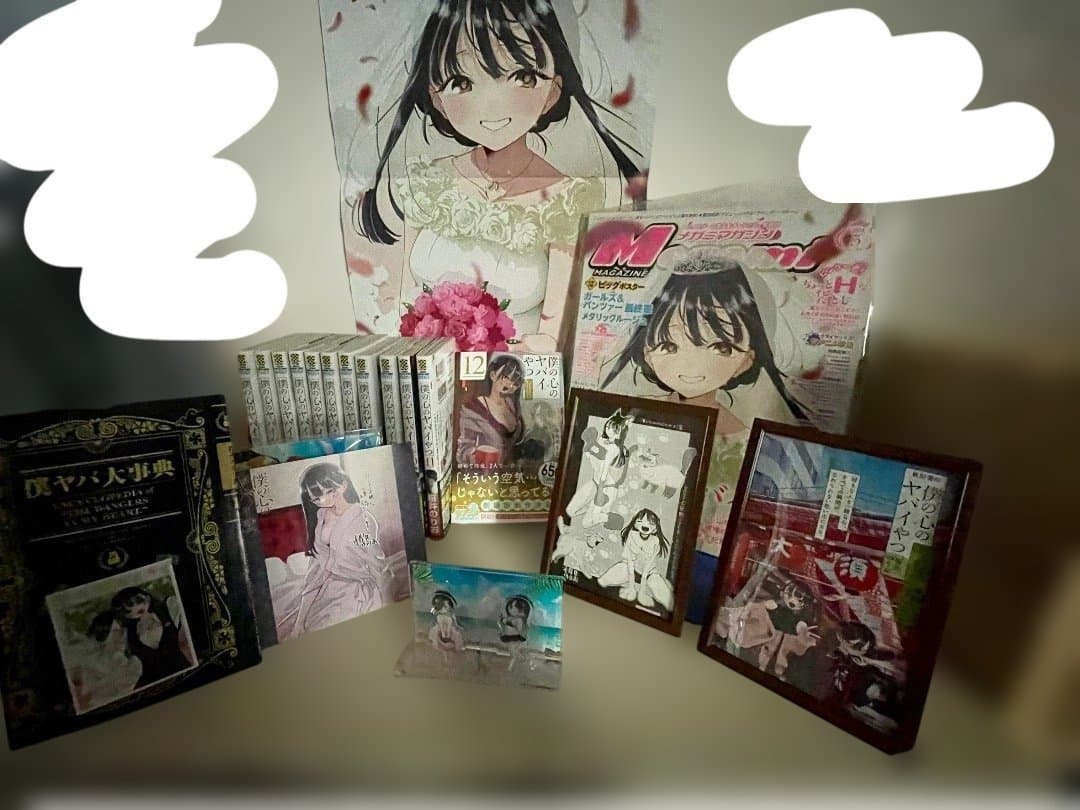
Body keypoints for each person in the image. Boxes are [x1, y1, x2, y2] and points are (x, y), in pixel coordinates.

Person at [354, 0, 644, 347]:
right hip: (431, 366)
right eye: (461, 81)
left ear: (552, 91)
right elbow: (405, 303)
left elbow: (551, 333)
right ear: (436, 96)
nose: (492, 104)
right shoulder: (428, 182)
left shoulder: (566, 199)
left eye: (523, 77)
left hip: (511, 371)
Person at [278, 463, 404, 638]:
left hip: (356, 589)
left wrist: (387, 607)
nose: (324, 500)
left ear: (344, 485)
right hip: (326, 584)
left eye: (330, 491)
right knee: (292, 627)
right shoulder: (320, 517)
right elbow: (316, 570)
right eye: (317, 498)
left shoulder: (362, 520)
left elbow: (378, 567)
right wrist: (300, 621)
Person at [110, 586, 196, 689]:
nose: (135, 606)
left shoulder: (169, 607)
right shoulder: (129, 635)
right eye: (127, 609)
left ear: (147, 598)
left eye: (138, 600)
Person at [564, 409, 633, 525]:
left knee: (586, 523)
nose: (608, 429)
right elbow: (589, 454)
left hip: (606, 487)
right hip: (594, 482)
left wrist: (600, 493)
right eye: (608, 426)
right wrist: (588, 447)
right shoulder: (601, 440)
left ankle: (608, 517)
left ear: (620, 432)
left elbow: (604, 470)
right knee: (569, 511)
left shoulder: (614, 449)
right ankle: (592, 509)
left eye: (613, 428)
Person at [597, 508, 674, 611]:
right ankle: (633, 586)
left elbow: (647, 568)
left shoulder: (655, 541)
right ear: (635, 524)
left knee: (668, 601)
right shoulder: (632, 535)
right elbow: (630, 561)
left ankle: (650, 587)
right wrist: (631, 588)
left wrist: (642, 592)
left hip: (649, 574)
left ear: (655, 529)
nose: (645, 526)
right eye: (640, 521)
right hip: (630, 569)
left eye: (651, 524)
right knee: (602, 581)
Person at [457, 354, 526, 466]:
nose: (510, 384)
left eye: (515, 381)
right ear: (493, 375)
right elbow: (464, 448)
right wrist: (478, 455)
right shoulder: (474, 408)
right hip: (486, 471)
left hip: (513, 471)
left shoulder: (512, 404)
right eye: (505, 377)